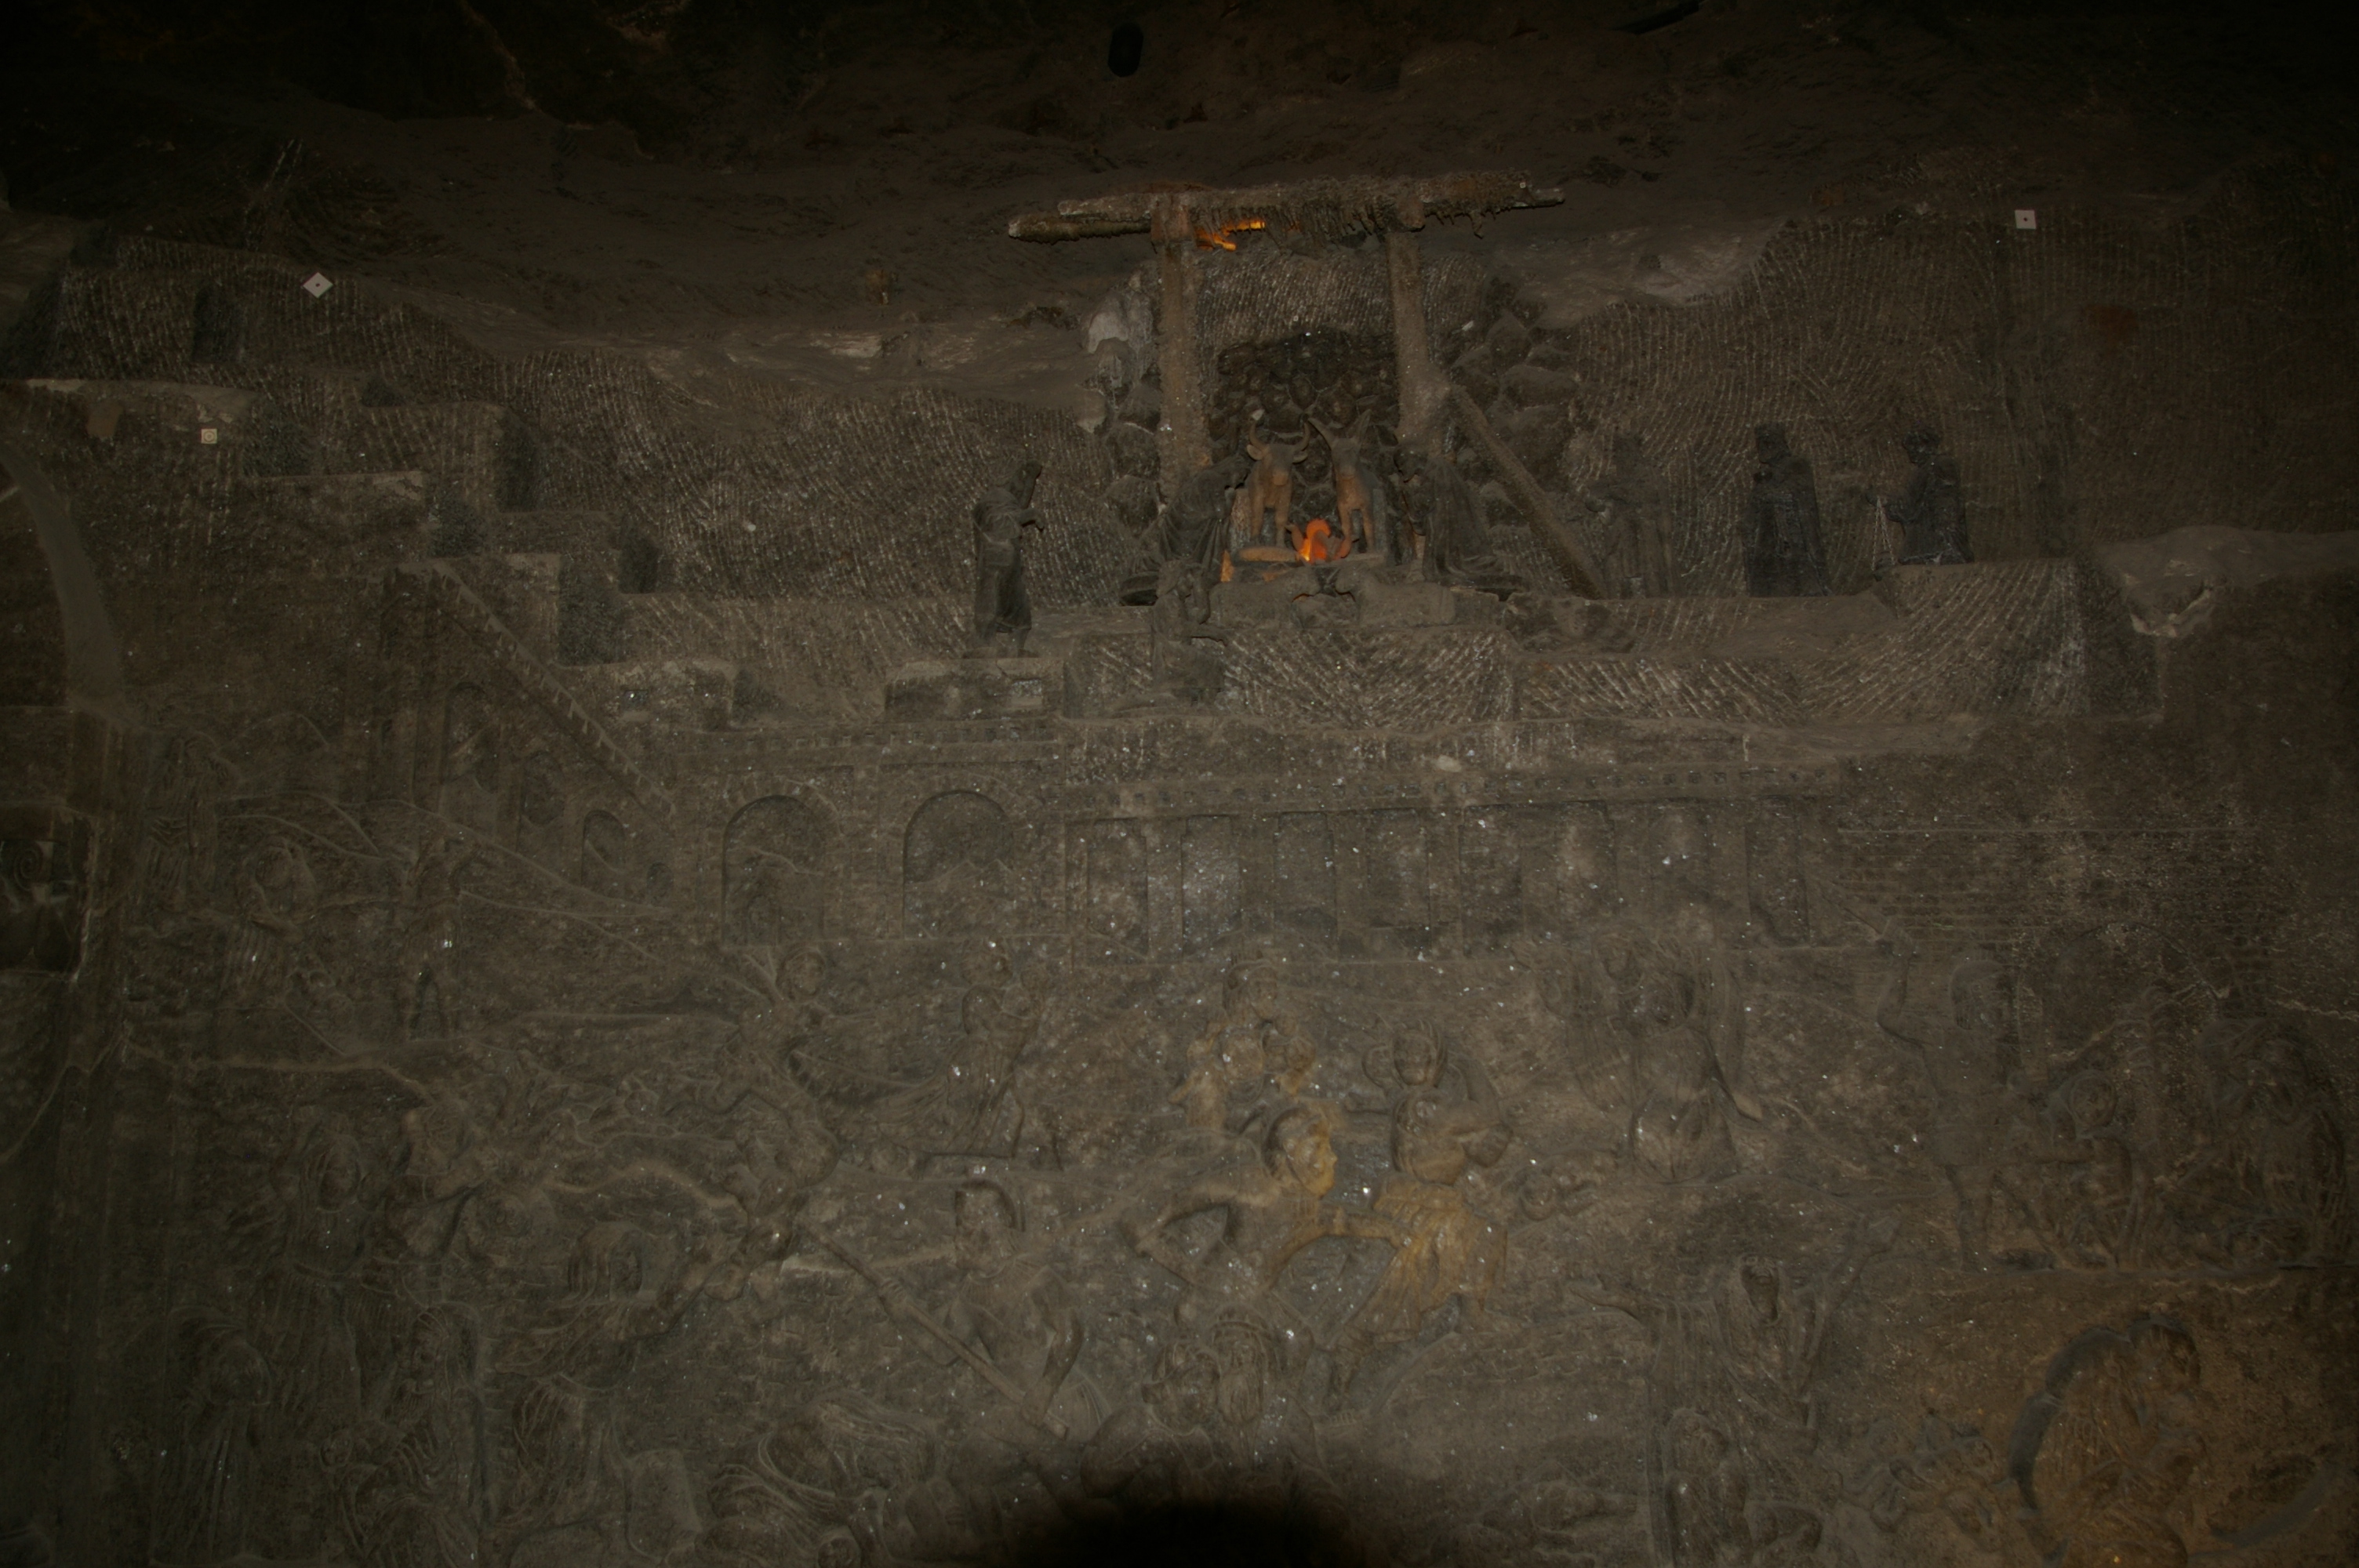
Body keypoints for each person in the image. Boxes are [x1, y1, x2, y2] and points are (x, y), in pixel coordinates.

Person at [1742, 423, 1830, 596]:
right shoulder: (1764, 476)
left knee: (1797, 580)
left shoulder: (1796, 465)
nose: (1763, 448)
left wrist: (1772, 493)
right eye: (1760, 444)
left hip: (1792, 534)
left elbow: (1798, 493)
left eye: (1768, 442)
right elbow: (1754, 508)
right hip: (1768, 538)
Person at [969, 459, 1043, 657]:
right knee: (991, 603)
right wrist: (1029, 514)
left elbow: (1018, 508)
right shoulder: (992, 500)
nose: (1020, 484)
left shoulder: (1003, 499)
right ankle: (985, 643)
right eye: (1019, 478)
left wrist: (1030, 479)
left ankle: (1014, 647)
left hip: (1008, 562)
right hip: (995, 562)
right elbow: (999, 523)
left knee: (1020, 613)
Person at [1884, 426, 1969, 565]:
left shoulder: (1938, 465)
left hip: (1938, 529)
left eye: (1916, 446)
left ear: (1928, 445)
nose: (1912, 451)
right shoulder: (1922, 472)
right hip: (1926, 533)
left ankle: (1949, 551)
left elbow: (1942, 494)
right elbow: (1910, 504)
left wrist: (1890, 502)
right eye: (1910, 447)